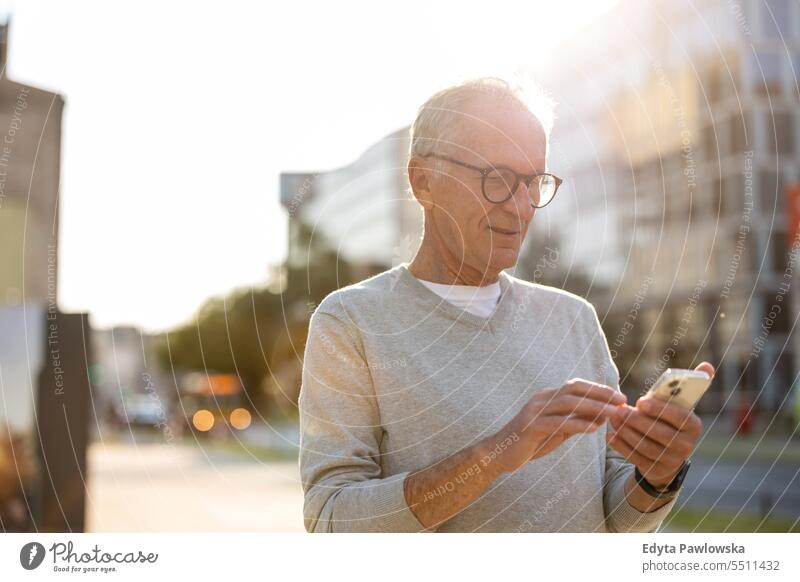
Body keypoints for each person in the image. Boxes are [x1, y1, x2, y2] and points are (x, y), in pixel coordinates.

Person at [298, 77, 714, 532]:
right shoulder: (351, 323)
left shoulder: (573, 318)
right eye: (496, 178)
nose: (521, 207)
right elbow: (330, 520)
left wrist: (655, 477)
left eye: (534, 181)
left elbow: (612, 518)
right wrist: (496, 453)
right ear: (423, 181)